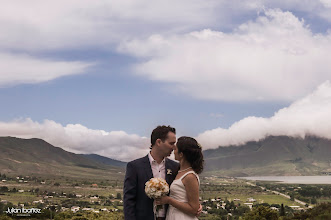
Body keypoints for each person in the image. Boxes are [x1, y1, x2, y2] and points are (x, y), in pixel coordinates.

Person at [123, 125, 179, 220]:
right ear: (159, 142)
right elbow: (129, 200)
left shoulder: (175, 167)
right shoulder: (134, 166)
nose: (174, 148)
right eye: (171, 143)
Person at [156, 136, 204, 220]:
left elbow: (194, 209)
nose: (173, 150)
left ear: (181, 154)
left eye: (176, 149)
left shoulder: (190, 176)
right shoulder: (178, 171)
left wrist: (169, 200)